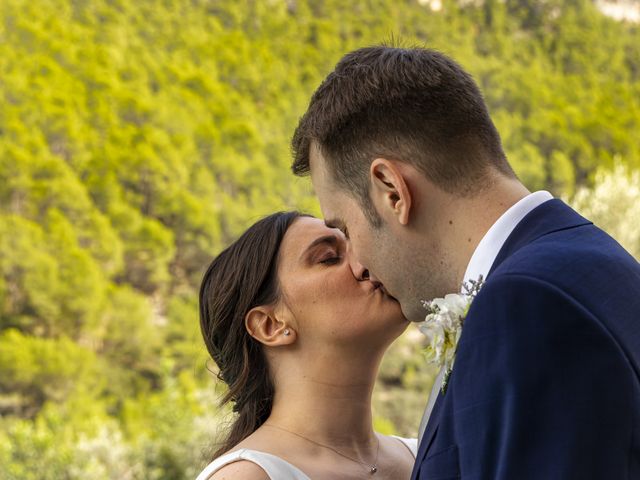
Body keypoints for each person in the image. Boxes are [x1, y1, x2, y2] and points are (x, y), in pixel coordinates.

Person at [292, 45, 640, 479]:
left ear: (391, 191)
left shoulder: (527, 306)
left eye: (345, 227)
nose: (357, 265)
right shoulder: (588, 263)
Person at [196, 212, 417, 480]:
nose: (366, 262)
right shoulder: (246, 476)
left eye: (359, 246)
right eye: (329, 258)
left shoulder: (424, 453)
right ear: (270, 325)